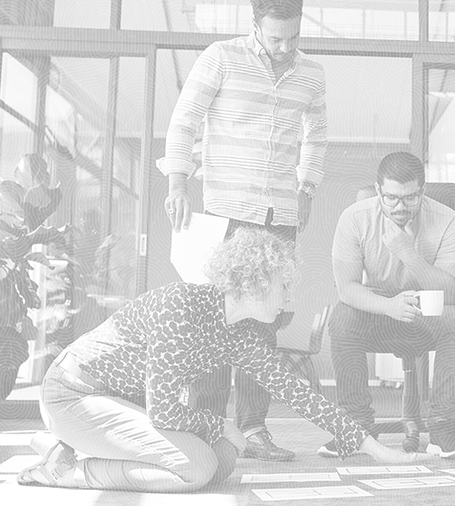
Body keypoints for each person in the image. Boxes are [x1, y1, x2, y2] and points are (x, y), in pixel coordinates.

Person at [16, 228, 427, 492]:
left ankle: (63, 446)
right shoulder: (182, 306)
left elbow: (298, 393)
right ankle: (71, 471)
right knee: (197, 467)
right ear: (253, 281)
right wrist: (223, 424)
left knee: (222, 464)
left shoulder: (239, 334)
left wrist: (375, 449)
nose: (288, 298)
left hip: (121, 406)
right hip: (74, 394)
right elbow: (162, 411)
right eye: (283, 287)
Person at [156, 0, 324, 461]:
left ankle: (253, 429)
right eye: (275, 38)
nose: (285, 47)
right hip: (224, 214)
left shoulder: (312, 73)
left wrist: (306, 186)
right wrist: (177, 182)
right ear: (255, 25)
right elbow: (185, 118)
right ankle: (206, 429)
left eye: (293, 37)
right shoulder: (220, 57)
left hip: (279, 219)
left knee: (262, 327)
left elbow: (317, 132)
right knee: (213, 324)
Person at [324, 151, 455, 459]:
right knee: (342, 318)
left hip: (425, 311)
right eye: (391, 198)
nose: (400, 207)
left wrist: (408, 253)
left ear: (422, 189)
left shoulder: (447, 219)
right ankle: (355, 427)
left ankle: (443, 429)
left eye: (409, 198)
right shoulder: (355, 218)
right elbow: (347, 289)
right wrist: (389, 306)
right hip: (380, 309)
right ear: (378, 190)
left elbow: (454, 292)